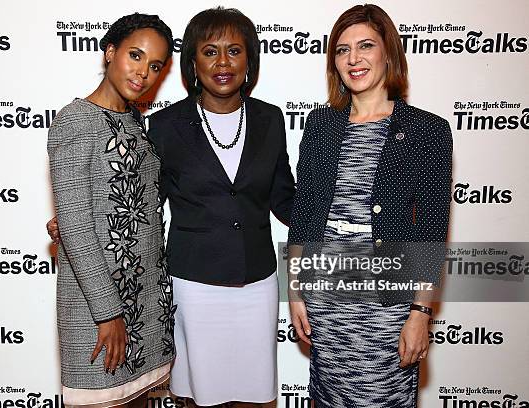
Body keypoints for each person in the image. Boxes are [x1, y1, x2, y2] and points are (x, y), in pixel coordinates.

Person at [49, 7, 294, 407]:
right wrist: (73, 219)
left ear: (250, 59)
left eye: (235, 50)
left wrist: (334, 218)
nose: (223, 62)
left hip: (257, 281)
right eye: (210, 51)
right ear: (192, 63)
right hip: (192, 284)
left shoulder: (270, 118)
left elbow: (284, 195)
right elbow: (145, 198)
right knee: (196, 396)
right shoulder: (163, 125)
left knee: (257, 394)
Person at [287, 4, 452, 408]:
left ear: (388, 53)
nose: (353, 59)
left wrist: (419, 313)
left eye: (365, 46)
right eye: (342, 51)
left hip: (388, 307)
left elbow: (432, 230)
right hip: (325, 297)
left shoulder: (427, 130)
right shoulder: (321, 125)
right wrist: (294, 293)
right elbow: (304, 215)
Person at [47, 14, 175, 408]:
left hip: (145, 302)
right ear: (110, 52)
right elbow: (78, 227)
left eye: (155, 65)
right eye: (135, 56)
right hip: (99, 307)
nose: (143, 73)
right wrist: (108, 314)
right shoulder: (76, 120)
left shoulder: (135, 122)